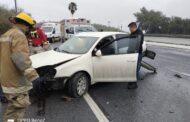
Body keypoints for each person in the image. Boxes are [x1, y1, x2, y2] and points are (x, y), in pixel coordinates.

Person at [0, 12, 41, 122]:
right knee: (17, 109)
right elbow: (20, 58)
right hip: (15, 82)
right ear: (26, 25)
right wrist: (34, 77)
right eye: (29, 28)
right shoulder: (19, 35)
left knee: (13, 107)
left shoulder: (7, 34)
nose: (29, 31)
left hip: (6, 78)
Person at [127, 22, 144, 89]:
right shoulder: (133, 33)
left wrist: (132, 52)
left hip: (136, 54)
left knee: (135, 69)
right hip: (132, 53)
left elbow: (138, 44)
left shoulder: (139, 34)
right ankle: (131, 81)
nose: (129, 30)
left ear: (133, 27)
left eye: (130, 28)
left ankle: (134, 84)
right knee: (131, 69)